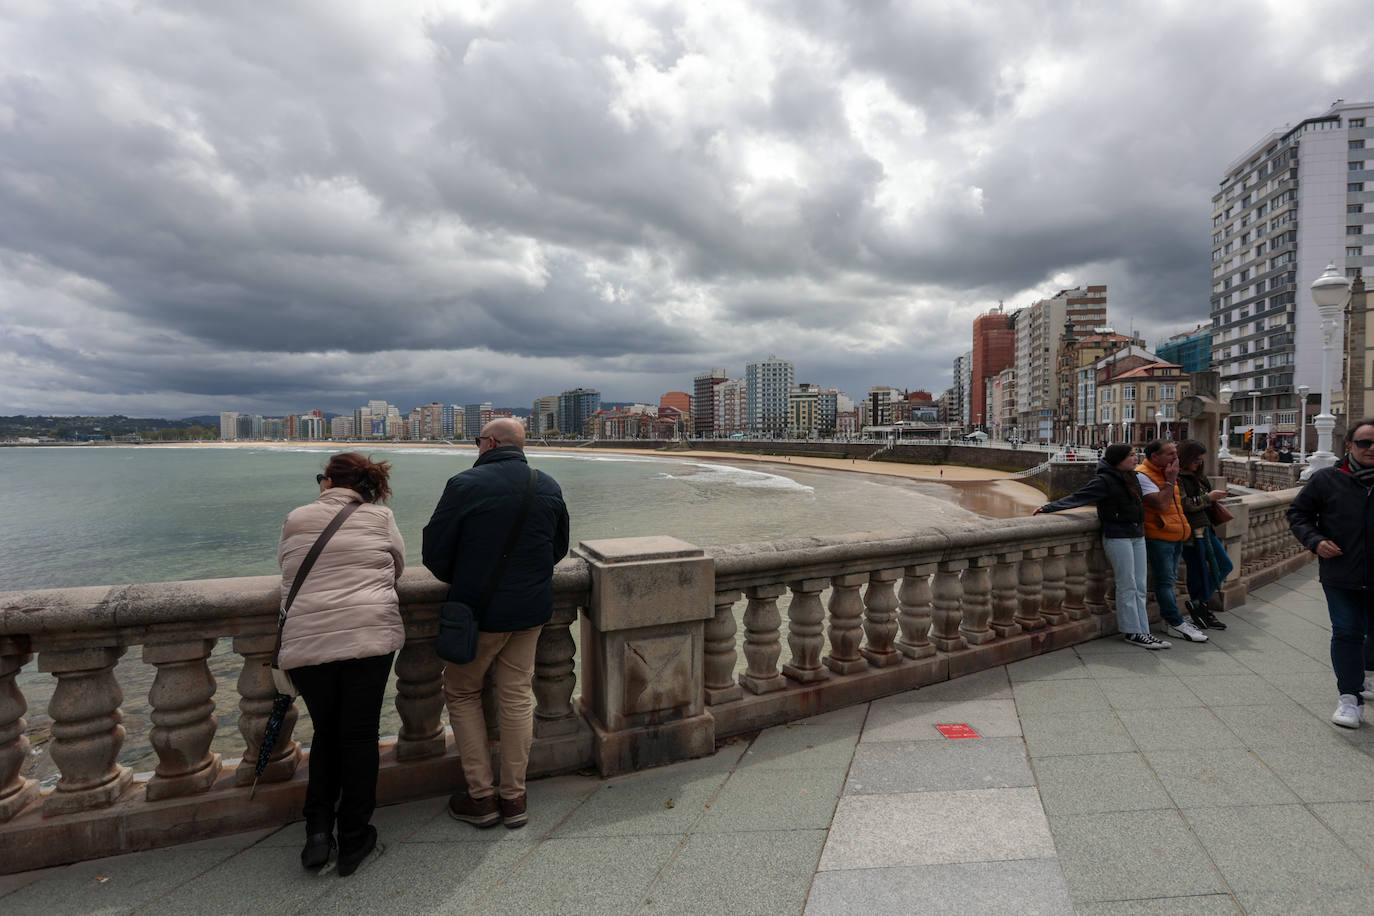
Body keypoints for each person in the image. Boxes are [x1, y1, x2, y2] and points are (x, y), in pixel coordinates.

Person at [423, 417, 570, 828]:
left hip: (478, 612)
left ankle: (482, 796)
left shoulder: (465, 485)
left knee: (463, 693)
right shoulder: (547, 484)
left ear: (488, 443)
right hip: (531, 611)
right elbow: (557, 548)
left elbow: (434, 553)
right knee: (518, 697)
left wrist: (471, 575)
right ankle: (515, 797)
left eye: (477, 440)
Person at [278, 453, 405, 876]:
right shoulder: (380, 517)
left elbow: (286, 569)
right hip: (369, 636)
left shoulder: (296, 517)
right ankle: (353, 837)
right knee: (360, 736)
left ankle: (317, 831)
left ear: (329, 482)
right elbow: (397, 567)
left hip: (308, 641)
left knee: (326, 733)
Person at [1034, 444, 1170, 649]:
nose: (1136, 458)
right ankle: (1133, 632)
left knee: (1140, 585)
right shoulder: (1104, 480)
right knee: (1127, 584)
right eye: (1132, 456)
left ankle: (1144, 630)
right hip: (1118, 537)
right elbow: (1079, 497)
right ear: (1119, 459)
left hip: (1137, 534)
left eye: (1135, 455)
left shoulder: (1132, 477)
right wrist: (1048, 507)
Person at [1287, 418, 1374, 729]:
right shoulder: (1327, 479)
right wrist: (1316, 540)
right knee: (1348, 631)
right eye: (1364, 442)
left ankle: (1366, 674)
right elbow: (1298, 514)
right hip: (1342, 572)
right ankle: (1350, 698)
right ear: (1349, 445)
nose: (1371, 448)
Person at [1137, 439, 1209, 643]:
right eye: (1170, 454)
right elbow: (1161, 504)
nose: (1176, 458)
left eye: (1176, 453)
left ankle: (1172, 618)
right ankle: (1172, 621)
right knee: (1166, 582)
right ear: (1154, 457)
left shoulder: (1167, 472)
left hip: (1177, 534)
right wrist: (1170, 480)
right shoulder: (1142, 475)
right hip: (1159, 537)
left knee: (1171, 579)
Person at [1175, 440, 1233, 630]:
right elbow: (1184, 504)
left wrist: (1211, 497)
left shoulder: (1199, 477)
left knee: (1224, 565)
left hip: (1206, 528)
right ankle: (1201, 609)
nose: (1199, 464)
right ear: (1186, 458)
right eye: (1196, 460)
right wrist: (1209, 498)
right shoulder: (1178, 478)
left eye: (1201, 460)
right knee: (1197, 571)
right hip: (1191, 531)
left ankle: (1199, 603)